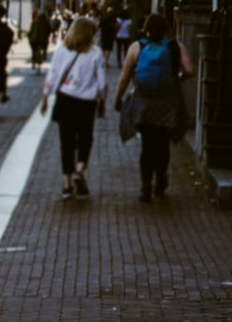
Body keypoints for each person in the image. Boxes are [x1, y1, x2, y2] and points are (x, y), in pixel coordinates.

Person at [112, 12, 193, 203]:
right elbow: (190, 70)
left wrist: (118, 98)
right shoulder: (175, 46)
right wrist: (177, 79)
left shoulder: (137, 47)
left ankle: (145, 186)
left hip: (144, 103)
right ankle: (161, 181)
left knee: (147, 145)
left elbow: (124, 77)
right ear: (166, 29)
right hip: (168, 102)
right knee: (163, 144)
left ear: (146, 29)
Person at [42, 15, 106, 199]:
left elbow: (53, 75)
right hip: (86, 103)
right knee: (85, 139)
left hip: (65, 100)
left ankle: (67, 185)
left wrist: (46, 97)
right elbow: (102, 83)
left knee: (66, 143)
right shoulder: (96, 53)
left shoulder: (61, 51)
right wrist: (102, 99)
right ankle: (80, 169)